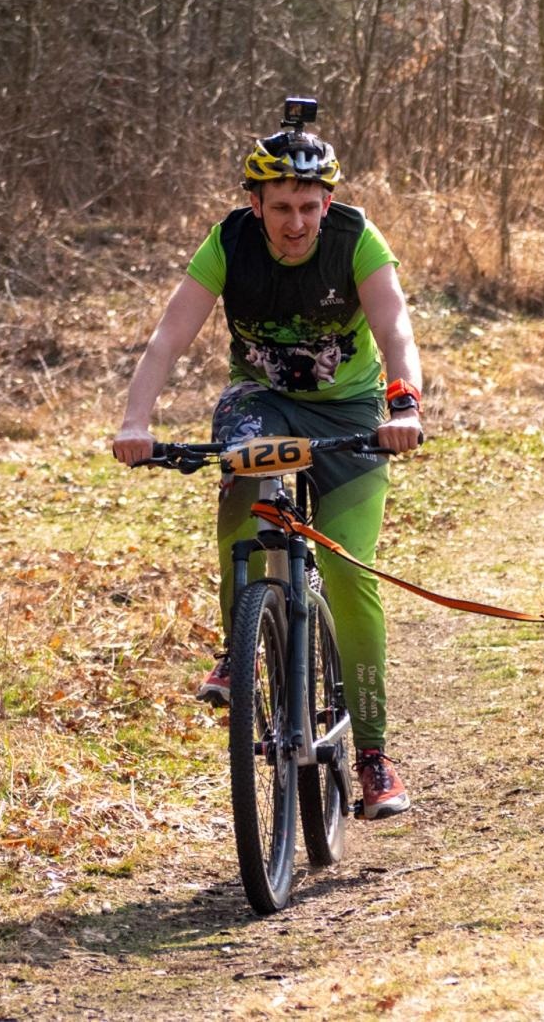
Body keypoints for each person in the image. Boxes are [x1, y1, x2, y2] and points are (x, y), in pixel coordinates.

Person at [110, 105, 424, 820]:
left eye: (309, 206)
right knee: (243, 514)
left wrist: (403, 406)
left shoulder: (354, 239)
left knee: (347, 567)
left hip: (349, 412)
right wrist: (136, 420)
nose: (295, 223)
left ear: (328, 203)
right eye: (280, 207)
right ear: (254, 204)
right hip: (262, 401)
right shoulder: (229, 243)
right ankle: (241, 646)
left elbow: (394, 324)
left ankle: (372, 752)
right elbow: (168, 338)